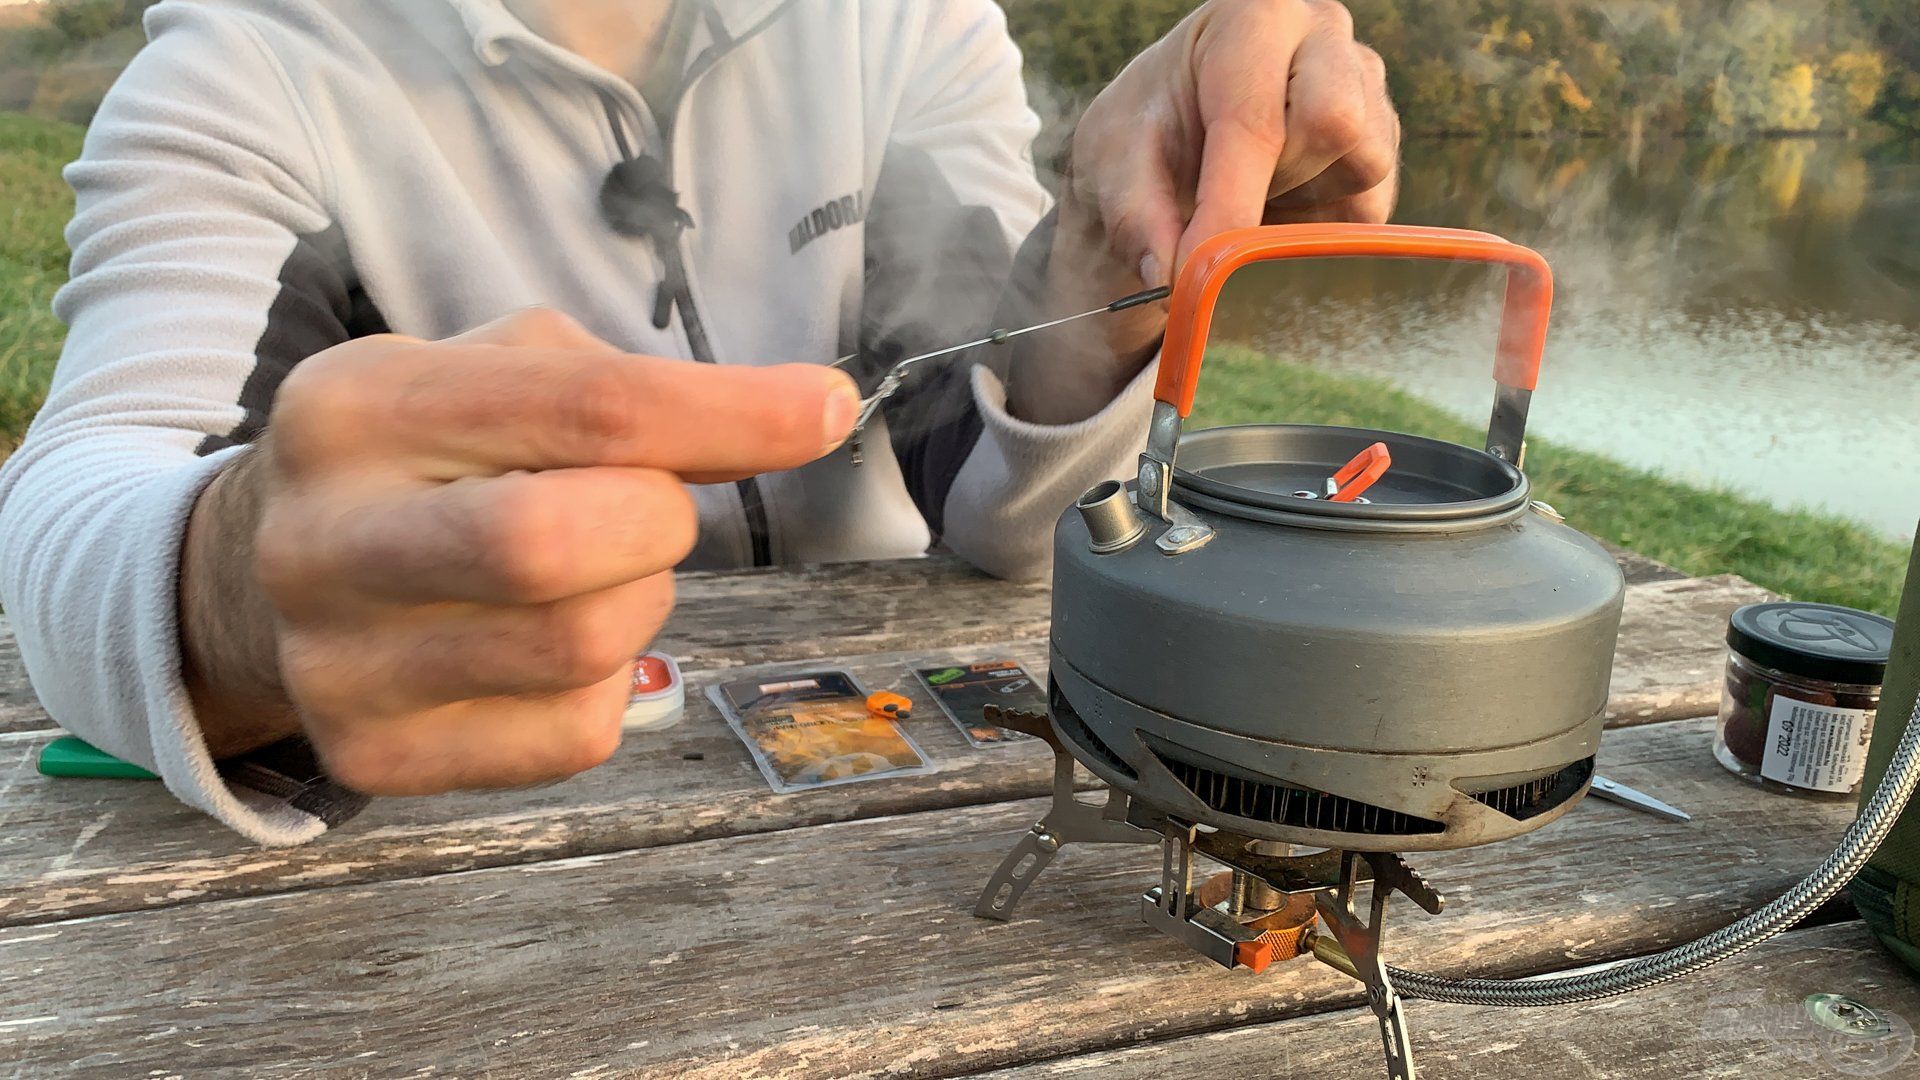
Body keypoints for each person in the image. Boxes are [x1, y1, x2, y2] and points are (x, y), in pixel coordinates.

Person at [0, 0, 1398, 844]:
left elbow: (998, 504)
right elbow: (70, 512)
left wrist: (1104, 252)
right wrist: (234, 587)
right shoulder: (249, 64)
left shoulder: (908, 25)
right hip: (470, 864)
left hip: (893, 829)